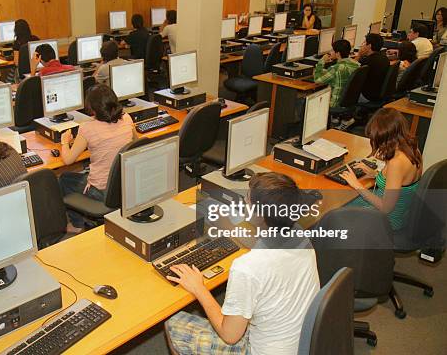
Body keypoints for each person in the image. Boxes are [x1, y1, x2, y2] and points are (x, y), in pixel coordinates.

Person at [165, 172, 319, 354]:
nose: (244, 201)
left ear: (260, 215)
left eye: (248, 199)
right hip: (303, 342)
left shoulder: (247, 267)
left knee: (172, 322)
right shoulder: (300, 235)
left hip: (263, 351)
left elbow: (230, 335)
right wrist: (228, 226)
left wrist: (199, 288)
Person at [59, 85, 135, 232]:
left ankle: (76, 225)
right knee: (85, 172)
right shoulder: (127, 118)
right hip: (125, 184)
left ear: (92, 109)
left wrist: (64, 141)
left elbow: (68, 160)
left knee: (64, 179)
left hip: (102, 191)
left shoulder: (88, 128)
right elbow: (135, 143)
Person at [343, 108, 423, 231]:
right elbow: (400, 182)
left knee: (336, 211)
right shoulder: (412, 147)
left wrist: (357, 185)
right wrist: (375, 175)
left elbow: (386, 207)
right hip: (401, 213)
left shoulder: (396, 163)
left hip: (387, 221)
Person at [314, 39, 360, 107]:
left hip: (334, 103)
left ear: (338, 53)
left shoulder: (336, 68)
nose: (330, 52)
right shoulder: (355, 64)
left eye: (332, 50)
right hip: (348, 102)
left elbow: (317, 80)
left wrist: (321, 62)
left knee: (303, 101)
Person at [355, 33, 389, 102]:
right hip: (377, 94)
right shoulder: (384, 58)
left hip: (367, 96)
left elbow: (353, 74)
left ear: (369, 46)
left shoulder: (367, 61)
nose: (362, 44)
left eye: (364, 43)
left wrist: (359, 55)